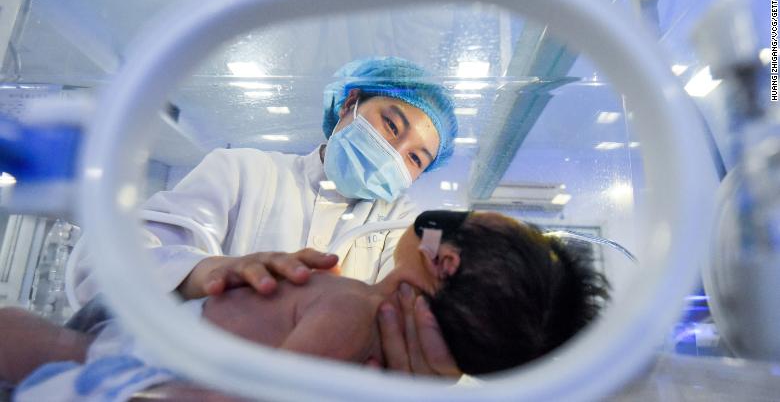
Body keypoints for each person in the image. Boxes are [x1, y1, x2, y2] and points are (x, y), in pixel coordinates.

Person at [70, 56, 461, 376]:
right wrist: (206, 272)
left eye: (415, 158)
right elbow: (102, 262)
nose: (394, 154)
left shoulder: (406, 228)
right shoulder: (243, 171)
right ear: (349, 104)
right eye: (391, 125)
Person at [4, 211, 610, 401]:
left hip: (154, 370)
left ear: (444, 260)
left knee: (58, 350)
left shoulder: (353, 312)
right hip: (148, 337)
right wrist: (204, 270)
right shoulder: (365, 318)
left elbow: (260, 389)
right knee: (57, 347)